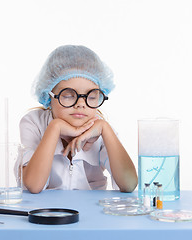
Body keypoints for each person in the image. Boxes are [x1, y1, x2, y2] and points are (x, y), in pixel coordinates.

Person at [19, 45, 138, 193]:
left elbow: (129, 184)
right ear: (49, 96)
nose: (81, 104)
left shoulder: (101, 129)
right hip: (48, 212)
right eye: (68, 95)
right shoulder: (33, 123)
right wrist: (55, 127)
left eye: (92, 96)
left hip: (92, 212)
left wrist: (105, 129)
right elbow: (33, 185)